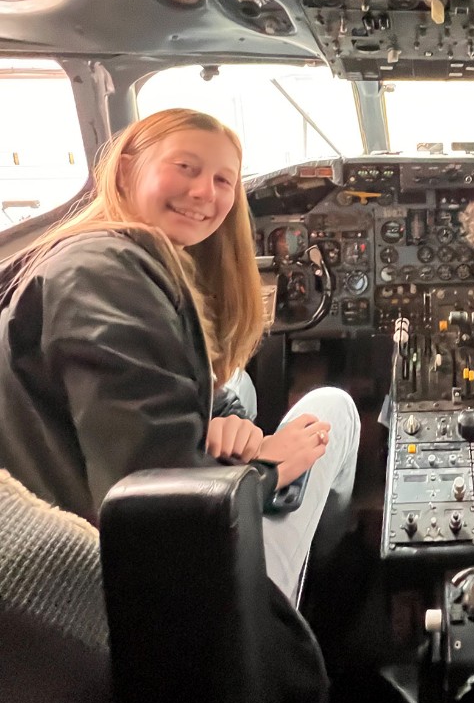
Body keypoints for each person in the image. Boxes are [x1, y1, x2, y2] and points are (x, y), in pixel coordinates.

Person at [0, 108, 360, 607]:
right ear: (125, 169)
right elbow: (164, 512)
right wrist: (273, 469)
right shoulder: (106, 276)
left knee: (238, 392)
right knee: (335, 409)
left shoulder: (95, 258)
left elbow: (139, 408)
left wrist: (220, 422)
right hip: (158, 604)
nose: (204, 194)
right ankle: (332, 578)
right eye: (185, 168)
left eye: (222, 180)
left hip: (82, 546)